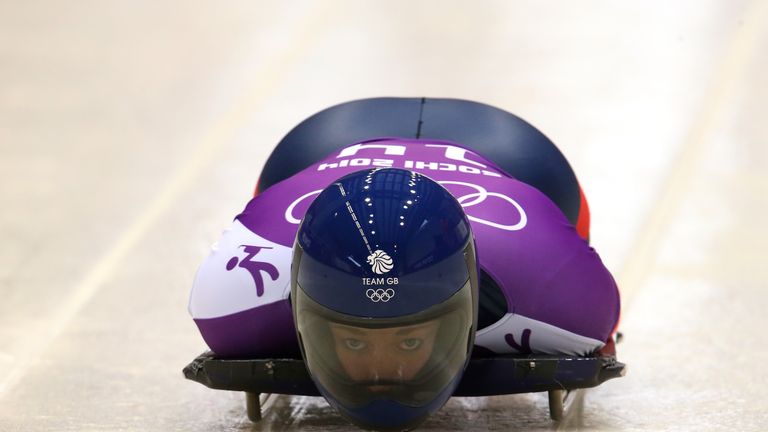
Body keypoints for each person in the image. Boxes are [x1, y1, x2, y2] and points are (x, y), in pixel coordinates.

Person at [188, 98, 621, 430]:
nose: (383, 374)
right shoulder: (229, 300)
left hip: (514, 156)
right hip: (325, 148)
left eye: (409, 342)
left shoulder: (560, 290)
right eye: (355, 342)